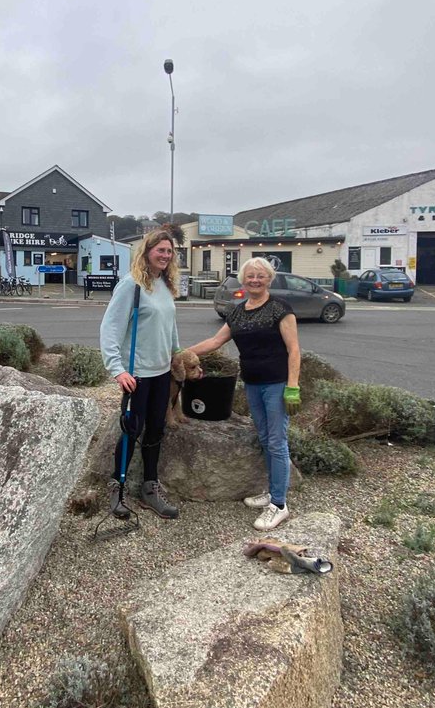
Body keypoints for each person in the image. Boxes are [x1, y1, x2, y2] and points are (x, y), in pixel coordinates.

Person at [186, 256, 301, 532]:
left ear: (269, 279)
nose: (254, 280)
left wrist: (293, 387)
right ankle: (271, 491)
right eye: (250, 276)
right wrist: (184, 352)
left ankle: (279, 505)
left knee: (276, 441)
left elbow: (294, 350)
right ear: (243, 279)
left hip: (276, 384)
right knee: (264, 439)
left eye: (260, 276)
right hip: (252, 383)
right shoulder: (237, 312)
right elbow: (215, 341)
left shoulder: (280, 309)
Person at [99, 228, 180, 520]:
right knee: (132, 429)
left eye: (169, 251)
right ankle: (117, 486)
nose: (165, 255)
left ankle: (149, 488)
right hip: (138, 374)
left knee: (156, 430)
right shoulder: (131, 286)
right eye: (160, 250)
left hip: (162, 372)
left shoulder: (164, 285)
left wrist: (176, 352)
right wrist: (117, 369)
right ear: (146, 252)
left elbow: (170, 325)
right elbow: (110, 329)